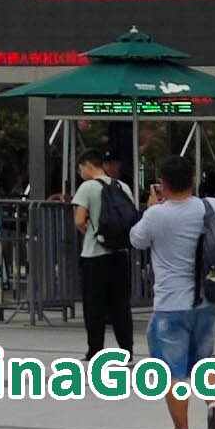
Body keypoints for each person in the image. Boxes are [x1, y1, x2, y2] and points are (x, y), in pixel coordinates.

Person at [129, 155, 215, 429]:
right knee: (204, 362)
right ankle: (213, 410)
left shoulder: (157, 215)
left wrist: (150, 207)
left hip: (170, 304)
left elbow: (136, 240)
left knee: (172, 374)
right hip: (206, 300)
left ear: (164, 184)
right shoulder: (212, 207)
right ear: (193, 180)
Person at [72, 148, 136, 359]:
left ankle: (95, 350)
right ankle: (126, 349)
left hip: (94, 254)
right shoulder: (122, 186)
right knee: (120, 304)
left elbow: (79, 220)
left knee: (94, 304)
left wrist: (90, 232)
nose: (80, 173)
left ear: (89, 165)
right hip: (120, 252)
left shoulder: (87, 187)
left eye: (81, 168)